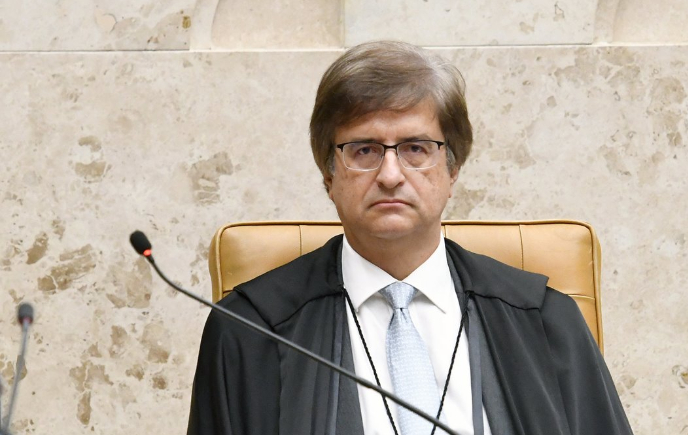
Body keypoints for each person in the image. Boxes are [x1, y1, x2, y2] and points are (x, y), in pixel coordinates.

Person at [187, 41, 634, 435]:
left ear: (452, 169)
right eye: (364, 150)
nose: (390, 175)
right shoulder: (250, 332)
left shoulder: (544, 320)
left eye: (415, 148)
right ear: (328, 174)